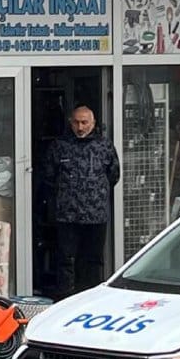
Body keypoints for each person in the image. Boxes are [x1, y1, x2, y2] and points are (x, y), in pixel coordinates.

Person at [42, 104, 120, 300]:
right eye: (76, 122)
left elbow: (113, 175)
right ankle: (65, 298)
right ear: (70, 123)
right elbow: (49, 177)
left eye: (84, 122)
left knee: (93, 260)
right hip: (67, 215)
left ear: (93, 123)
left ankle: (91, 298)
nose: (80, 127)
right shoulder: (60, 146)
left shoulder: (104, 146)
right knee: (65, 259)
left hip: (95, 215)